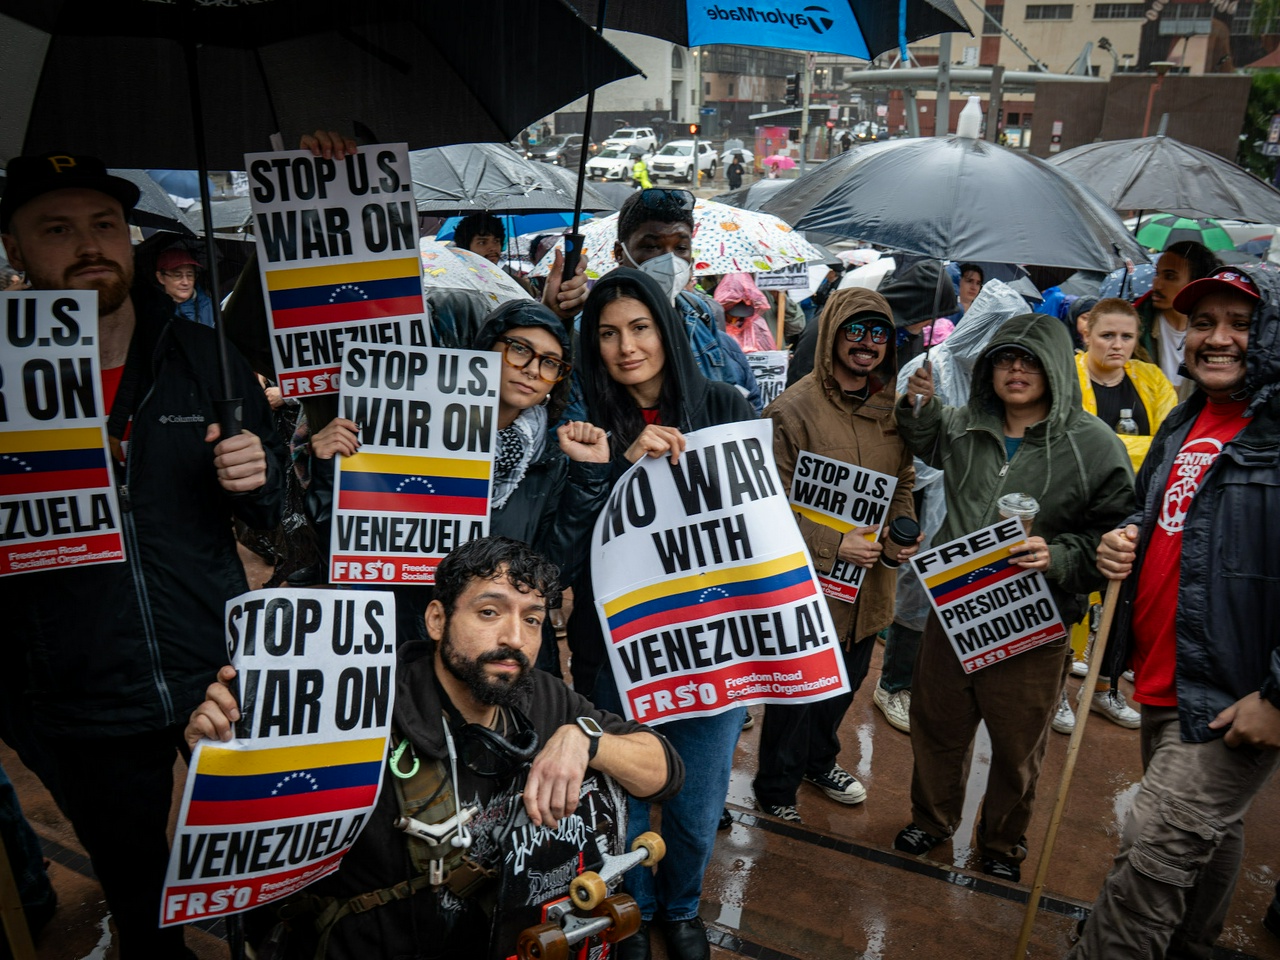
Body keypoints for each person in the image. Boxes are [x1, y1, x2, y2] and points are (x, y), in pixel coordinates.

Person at [0, 153, 283, 959]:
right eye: (57, 229)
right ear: (15, 250)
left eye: (104, 225)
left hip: (219, 670)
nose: (89, 245)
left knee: (263, 874)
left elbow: (279, 516)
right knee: (138, 895)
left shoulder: (204, 357)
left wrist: (259, 474)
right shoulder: (2, 382)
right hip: (85, 694)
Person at [186, 536, 683, 960]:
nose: (514, 637)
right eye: (489, 612)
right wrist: (219, 755)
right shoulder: (357, 707)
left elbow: (665, 771)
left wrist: (587, 741)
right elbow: (250, 836)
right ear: (437, 620)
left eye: (533, 619)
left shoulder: (543, 696)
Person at [1070, 264, 1280, 959]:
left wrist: (1277, 696)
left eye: (1240, 324)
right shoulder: (1185, 417)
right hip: (1164, 675)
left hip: (1232, 694)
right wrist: (1125, 537)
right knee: (1206, 837)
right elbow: (1155, 510)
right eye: (1203, 323)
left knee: (1151, 857)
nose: (1217, 338)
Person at [893, 312, 1134, 882]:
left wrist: (1061, 556)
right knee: (938, 728)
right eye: (1005, 358)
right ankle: (930, 821)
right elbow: (923, 436)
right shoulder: (963, 425)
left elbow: (1115, 534)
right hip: (954, 613)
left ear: (1056, 368)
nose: (1016, 369)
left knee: (1018, 744)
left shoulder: (1094, 445)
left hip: (1034, 624)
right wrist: (916, 403)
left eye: (1030, 360)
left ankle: (1002, 842)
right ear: (989, 369)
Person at [568, 267, 756, 960]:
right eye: (608, 333)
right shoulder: (583, 420)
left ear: (667, 331)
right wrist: (619, 468)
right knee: (621, 788)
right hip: (619, 646)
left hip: (712, 642)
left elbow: (755, 523)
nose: (626, 347)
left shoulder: (726, 404)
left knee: (698, 798)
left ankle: (680, 909)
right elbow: (574, 545)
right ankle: (631, 909)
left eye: (640, 328)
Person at [307, 300, 612, 670]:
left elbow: (555, 574)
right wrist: (330, 467)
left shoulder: (552, 459)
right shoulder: (403, 434)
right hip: (412, 646)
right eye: (519, 349)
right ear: (484, 351)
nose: (533, 369)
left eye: (550, 362)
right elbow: (343, 546)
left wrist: (588, 477)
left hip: (504, 659)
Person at [753, 289, 917, 822]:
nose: (867, 343)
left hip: (868, 587)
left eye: (879, 333)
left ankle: (818, 762)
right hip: (809, 587)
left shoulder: (892, 408)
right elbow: (764, 505)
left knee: (845, 684)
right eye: (856, 330)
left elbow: (903, 479)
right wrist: (832, 543)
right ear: (832, 335)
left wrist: (899, 530)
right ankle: (776, 787)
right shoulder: (790, 410)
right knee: (798, 690)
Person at [1051, 297, 1178, 734]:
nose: (1117, 344)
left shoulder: (1152, 379)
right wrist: (1136, 448)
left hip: (1134, 511)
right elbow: (1072, 442)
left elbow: (1168, 445)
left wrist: (1111, 446)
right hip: (1075, 508)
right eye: (1107, 335)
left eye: (1127, 336)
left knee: (1120, 603)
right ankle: (1056, 690)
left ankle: (1104, 687)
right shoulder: (1067, 375)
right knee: (1070, 598)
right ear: (1086, 332)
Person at [1135, 240, 1220, 399]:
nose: (1157, 285)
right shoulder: (1136, 326)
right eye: (1157, 274)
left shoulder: (1218, 332)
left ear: (1195, 283)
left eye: (1170, 276)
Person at [713, 272, 777, 353]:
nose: (736, 318)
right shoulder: (716, 325)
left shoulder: (756, 324)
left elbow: (769, 353)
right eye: (732, 315)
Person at [154, 246, 215, 327]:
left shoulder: (210, 307)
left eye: (190, 275)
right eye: (177, 275)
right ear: (161, 278)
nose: (186, 282)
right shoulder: (152, 310)